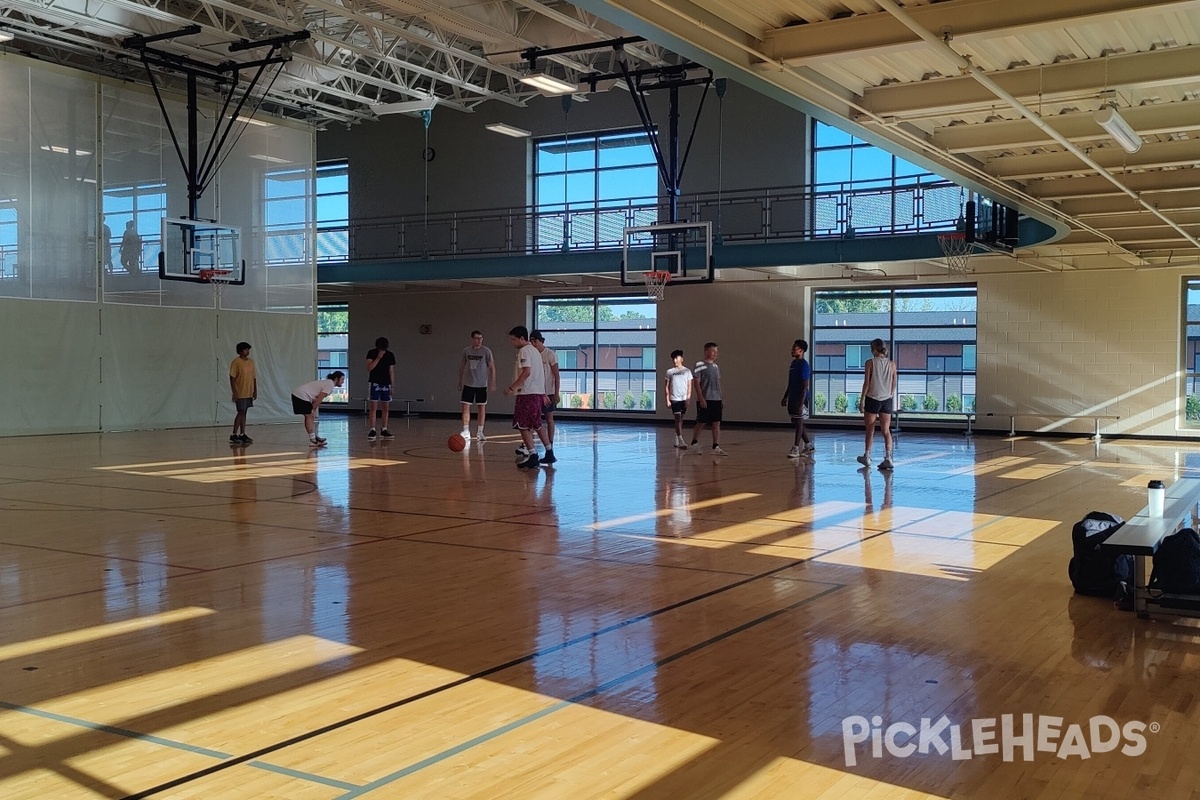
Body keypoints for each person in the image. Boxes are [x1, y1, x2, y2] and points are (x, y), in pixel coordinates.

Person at [504, 326, 552, 468]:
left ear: (521, 338)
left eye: (513, 340)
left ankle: (533, 454)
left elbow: (527, 372)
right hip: (536, 393)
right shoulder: (535, 351)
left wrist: (512, 387)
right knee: (536, 424)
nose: (512, 343)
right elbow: (541, 373)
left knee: (522, 425)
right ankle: (549, 451)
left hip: (527, 393)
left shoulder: (524, 351)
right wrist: (542, 392)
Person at [857, 338, 897, 470]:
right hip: (887, 399)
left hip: (872, 398)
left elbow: (866, 383)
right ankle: (888, 458)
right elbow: (894, 383)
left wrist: (862, 400)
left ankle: (867, 456)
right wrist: (889, 394)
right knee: (886, 431)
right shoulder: (892, 364)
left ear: (873, 349)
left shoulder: (870, 363)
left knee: (870, 429)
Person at [690, 342, 727, 456]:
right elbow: (696, 383)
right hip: (705, 398)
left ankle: (716, 446)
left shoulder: (716, 367)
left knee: (716, 423)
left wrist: (721, 398)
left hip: (716, 399)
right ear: (706, 352)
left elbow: (718, 383)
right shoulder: (699, 365)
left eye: (716, 351)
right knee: (701, 422)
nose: (715, 353)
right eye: (713, 351)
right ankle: (694, 443)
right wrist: (701, 398)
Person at [780, 338, 815, 459]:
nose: (792, 350)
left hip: (801, 397)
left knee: (799, 421)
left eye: (794, 348)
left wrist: (801, 401)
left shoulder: (804, 365)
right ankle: (809, 445)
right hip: (793, 396)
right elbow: (790, 383)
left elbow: (805, 384)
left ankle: (796, 447)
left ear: (801, 351)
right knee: (796, 421)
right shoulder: (793, 364)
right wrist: (785, 396)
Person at [458, 330, 495, 441]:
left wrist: (492, 382)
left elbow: (492, 368)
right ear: (472, 339)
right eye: (477, 338)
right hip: (469, 383)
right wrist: (460, 381)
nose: (479, 340)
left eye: (481, 338)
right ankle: (465, 431)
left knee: (481, 407)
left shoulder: (486, 351)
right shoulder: (466, 351)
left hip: (482, 384)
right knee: (465, 406)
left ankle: (480, 432)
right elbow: (462, 366)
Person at [291, 371, 345, 447]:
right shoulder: (330, 384)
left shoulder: (328, 383)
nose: (343, 382)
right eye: (342, 379)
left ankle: (315, 438)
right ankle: (313, 440)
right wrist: (312, 409)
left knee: (310, 416)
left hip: (301, 395)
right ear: (336, 379)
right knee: (309, 416)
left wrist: (312, 409)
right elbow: (319, 399)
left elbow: (316, 398)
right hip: (301, 395)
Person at [530, 330, 559, 462]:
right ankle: (528, 445)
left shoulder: (550, 354)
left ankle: (550, 443)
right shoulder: (532, 354)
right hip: (536, 391)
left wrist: (557, 393)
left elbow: (556, 375)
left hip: (549, 391)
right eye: (532, 341)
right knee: (532, 418)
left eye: (535, 341)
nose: (534, 344)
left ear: (542, 341)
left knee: (549, 417)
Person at [365, 337, 396, 441]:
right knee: (373, 406)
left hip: (386, 384)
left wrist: (392, 385)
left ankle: (384, 429)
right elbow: (369, 367)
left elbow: (391, 371)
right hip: (374, 383)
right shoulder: (371, 353)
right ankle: (372, 429)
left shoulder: (390, 355)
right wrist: (378, 358)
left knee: (385, 407)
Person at [228, 341, 256, 445]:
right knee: (240, 412)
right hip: (240, 392)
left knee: (244, 412)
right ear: (240, 351)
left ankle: (242, 433)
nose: (247, 351)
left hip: (248, 391)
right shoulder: (236, 362)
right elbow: (232, 377)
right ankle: (234, 434)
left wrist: (255, 390)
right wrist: (234, 392)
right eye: (245, 349)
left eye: (248, 349)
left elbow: (254, 377)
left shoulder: (251, 362)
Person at [664, 349, 692, 449]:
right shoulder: (670, 372)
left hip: (683, 398)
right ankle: (681, 439)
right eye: (673, 358)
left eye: (677, 358)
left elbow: (689, 385)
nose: (675, 360)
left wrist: (688, 398)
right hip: (674, 398)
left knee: (681, 418)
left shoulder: (687, 371)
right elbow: (667, 387)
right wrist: (667, 399)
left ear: (682, 359)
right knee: (678, 418)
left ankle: (676, 436)